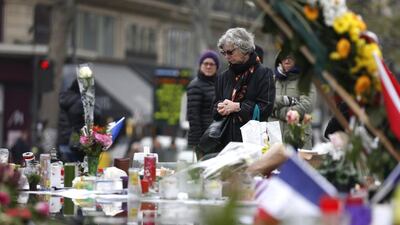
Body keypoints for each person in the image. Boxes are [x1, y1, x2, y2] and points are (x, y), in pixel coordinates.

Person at [211, 27, 275, 152]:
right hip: (225, 144)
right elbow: (213, 109)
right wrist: (220, 108)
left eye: (230, 52)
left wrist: (237, 107)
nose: (227, 57)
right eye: (224, 53)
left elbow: (266, 107)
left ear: (244, 49)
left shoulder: (263, 73)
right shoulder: (223, 77)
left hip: (252, 144)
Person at [269, 51, 316, 149]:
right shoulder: (272, 80)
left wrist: (278, 112)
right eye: (284, 57)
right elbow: (266, 102)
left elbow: (307, 105)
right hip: (273, 142)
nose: (287, 60)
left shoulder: (305, 81)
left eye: (291, 57)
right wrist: (286, 100)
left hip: (299, 141)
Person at [57, 79, 105, 162]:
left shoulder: (67, 98)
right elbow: (98, 113)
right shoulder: (80, 102)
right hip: (75, 145)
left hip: (64, 142)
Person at [187, 50, 220, 153]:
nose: (208, 66)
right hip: (203, 139)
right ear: (200, 65)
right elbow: (193, 117)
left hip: (217, 136)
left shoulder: (219, 84)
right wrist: (199, 142)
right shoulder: (195, 86)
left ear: (217, 67)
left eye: (212, 64)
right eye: (205, 63)